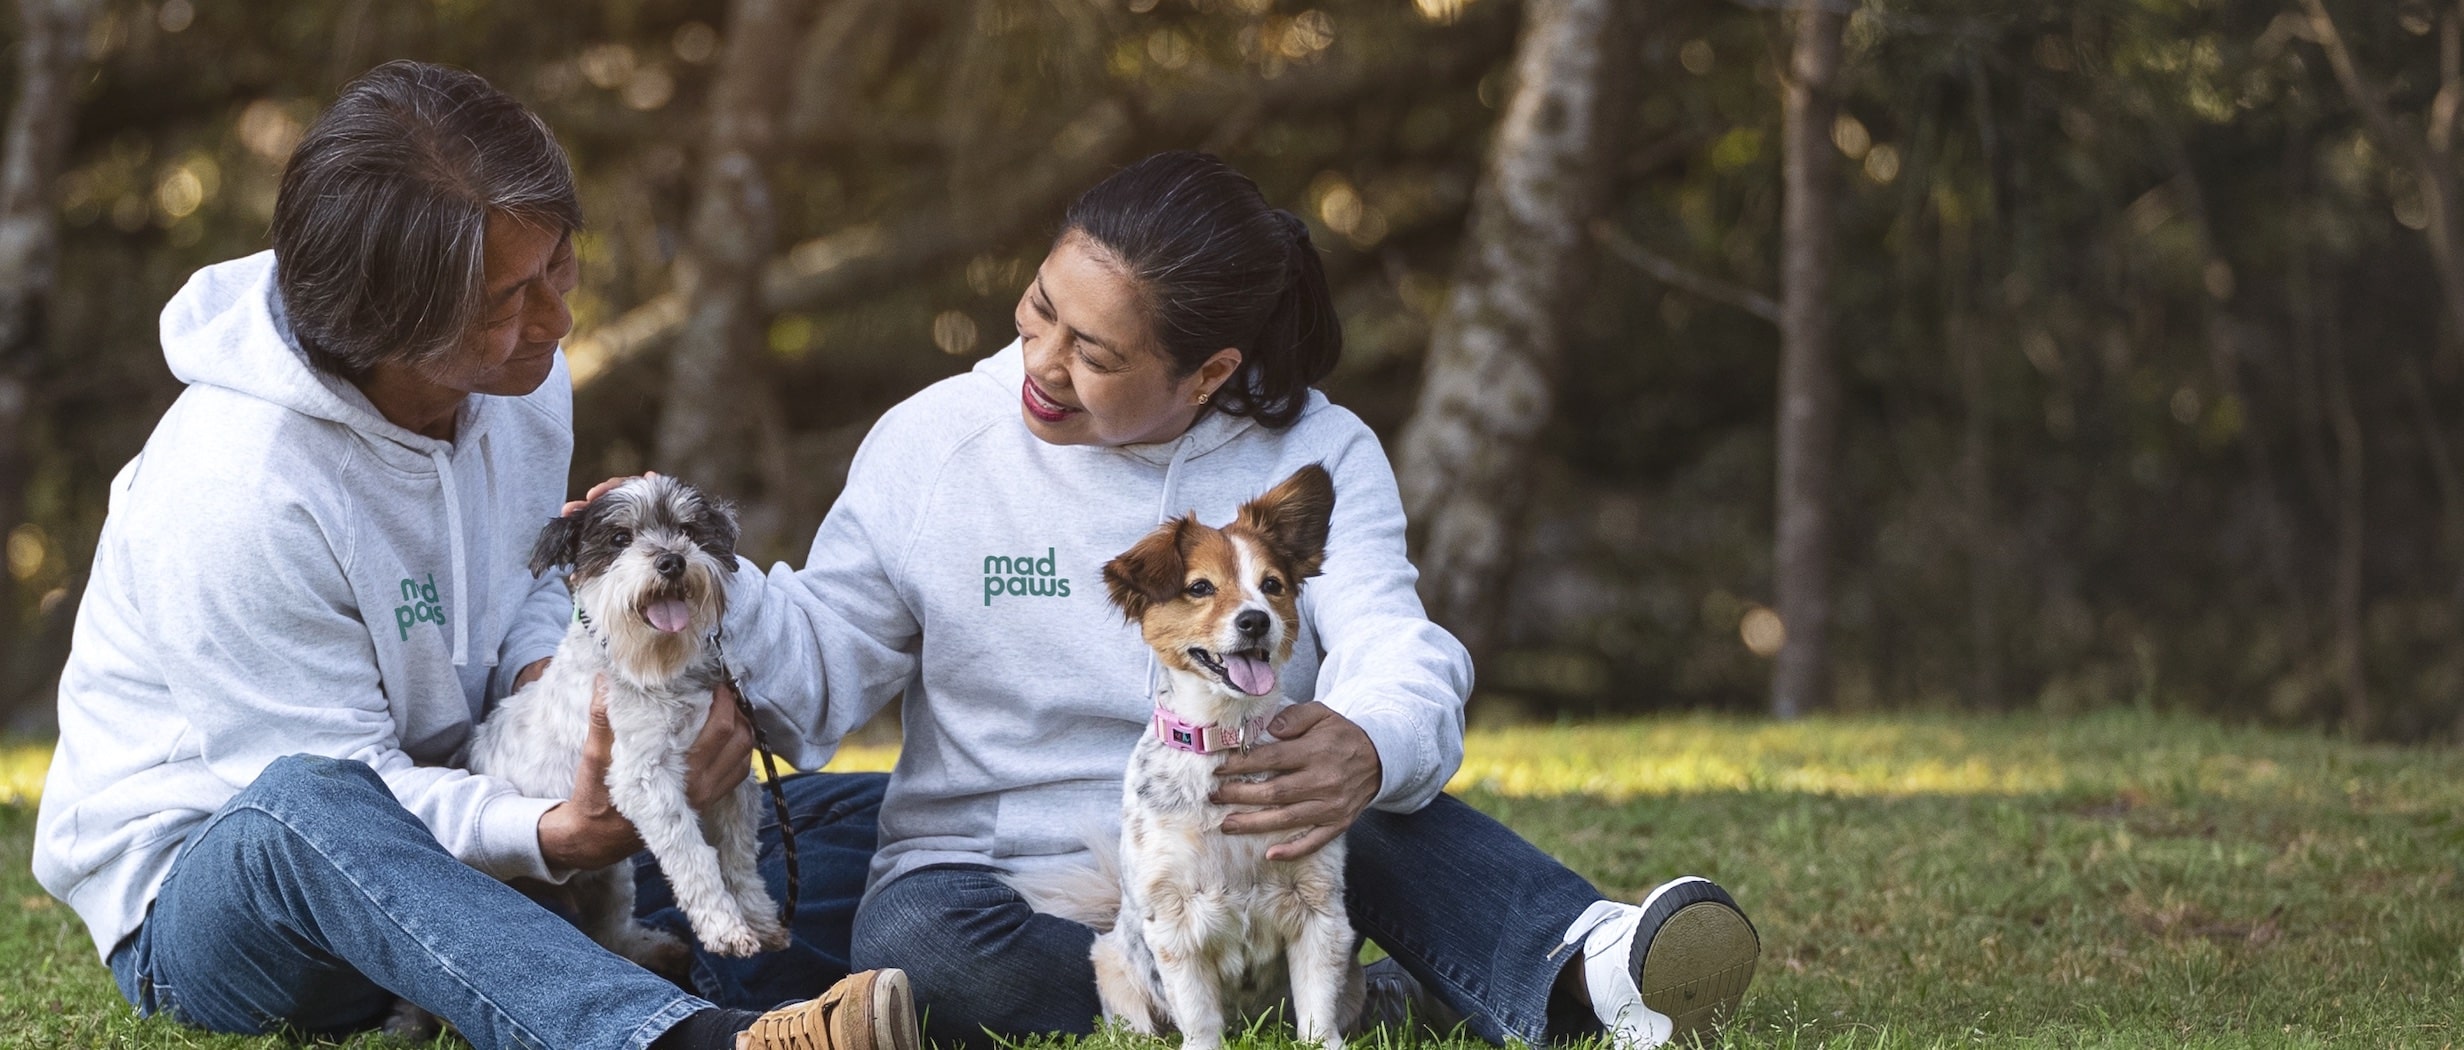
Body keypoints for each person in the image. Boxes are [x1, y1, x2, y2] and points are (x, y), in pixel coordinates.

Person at [708, 150, 1760, 1049]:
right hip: (1009, 876)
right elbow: (818, 663)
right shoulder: (934, 442)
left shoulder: (1313, 449)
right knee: (921, 950)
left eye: (1095, 353)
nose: (1041, 361)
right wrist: (710, 588)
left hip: (1249, 824)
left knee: (1353, 781)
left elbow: (1392, 642)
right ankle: (1347, 1001)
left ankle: (1586, 968)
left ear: (1207, 373)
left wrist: (1368, 739)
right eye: (1040, 307)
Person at [30, 61, 912, 1050]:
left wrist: (569, 693)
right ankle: (673, 1035)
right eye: (505, 300)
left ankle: (603, 957)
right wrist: (547, 835)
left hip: (492, 811)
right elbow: (335, 785)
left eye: (557, 268)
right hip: (239, 894)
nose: (555, 322)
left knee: (903, 826)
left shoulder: (520, 381)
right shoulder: (235, 492)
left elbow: (528, 592)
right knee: (308, 803)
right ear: (380, 325)